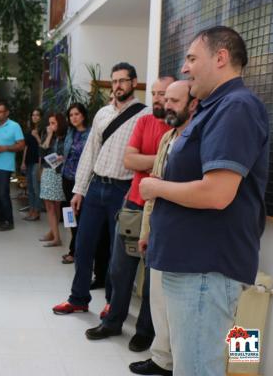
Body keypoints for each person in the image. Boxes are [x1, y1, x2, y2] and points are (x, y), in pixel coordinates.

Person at [140, 26, 268, 376]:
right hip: (193, 265)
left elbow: (217, 193)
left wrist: (156, 188)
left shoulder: (236, 107)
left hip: (205, 269)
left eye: (192, 58)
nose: (184, 68)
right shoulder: (217, 108)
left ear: (221, 57)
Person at [52, 62, 150, 316]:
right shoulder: (103, 114)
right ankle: (78, 298)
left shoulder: (145, 115)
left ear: (134, 82)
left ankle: (112, 303)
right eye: (114, 81)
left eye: (123, 81)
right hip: (96, 186)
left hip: (123, 190)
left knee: (115, 252)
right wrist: (79, 190)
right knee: (83, 245)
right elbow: (89, 153)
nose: (118, 85)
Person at [84, 76, 175, 350]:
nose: (159, 99)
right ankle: (113, 321)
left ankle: (145, 331)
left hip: (163, 209)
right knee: (120, 268)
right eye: (156, 93)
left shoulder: (182, 129)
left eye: (166, 95)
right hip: (134, 204)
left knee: (151, 276)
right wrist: (161, 159)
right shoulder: (144, 121)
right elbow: (129, 159)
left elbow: (173, 165)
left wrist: (146, 162)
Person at [129, 80, 197, 376]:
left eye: (174, 100)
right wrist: (146, 232)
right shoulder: (168, 138)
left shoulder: (199, 140)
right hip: (161, 233)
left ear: (193, 103)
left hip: (191, 240)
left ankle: (177, 363)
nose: (166, 105)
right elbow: (152, 190)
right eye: (164, 99)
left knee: (186, 316)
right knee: (157, 300)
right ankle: (161, 359)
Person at [0, 102, 25, 232]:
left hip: (5, 167)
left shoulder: (14, 126)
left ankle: (9, 221)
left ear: (7, 113)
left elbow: (21, 145)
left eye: (0, 111)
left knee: (3, 194)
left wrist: (5, 148)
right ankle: (0, 218)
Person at [60, 103, 90, 263]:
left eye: (77, 114)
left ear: (83, 115)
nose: (74, 118)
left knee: (80, 216)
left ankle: (76, 251)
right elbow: (67, 153)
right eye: (71, 115)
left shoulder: (91, 133)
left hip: (82, 181)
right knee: (69, 215)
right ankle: (74, 247)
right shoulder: (70, 132)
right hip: (66, 178)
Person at [38, 112, 67, 246]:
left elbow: (72, 154)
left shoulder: (66, 137)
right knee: (49, 204)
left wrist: (64, 158)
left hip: (60, 173)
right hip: (48, 171)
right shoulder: (49, 135)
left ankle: (56, 237)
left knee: (56, 205)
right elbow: (42, 152)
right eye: (49, 123)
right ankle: (53, 233)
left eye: (53, 123)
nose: (50, 126)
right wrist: (49, 135)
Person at [21, 109, 42, 221]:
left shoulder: (43, 130)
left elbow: (44, 147)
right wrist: (23, 162)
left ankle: (36, 212)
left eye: (37, 115)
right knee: (30, 187)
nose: (35, 117)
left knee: (36, 187)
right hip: (28, 161)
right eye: (33, 115)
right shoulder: (29, 130)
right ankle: (31, 210)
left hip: (37, 162)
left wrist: (37, 136)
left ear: (41, 117)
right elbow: (26, 146)